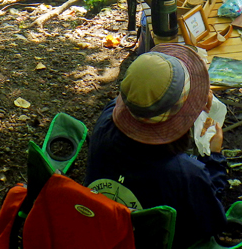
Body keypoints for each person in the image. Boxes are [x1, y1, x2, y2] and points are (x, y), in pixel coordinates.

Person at [84, 43, 227, 249]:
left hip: (101, 232)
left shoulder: (105, 121)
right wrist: (213, 157)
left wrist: (190, 103)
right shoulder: (185, 174)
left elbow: (136, 98)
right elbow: (212, 222)